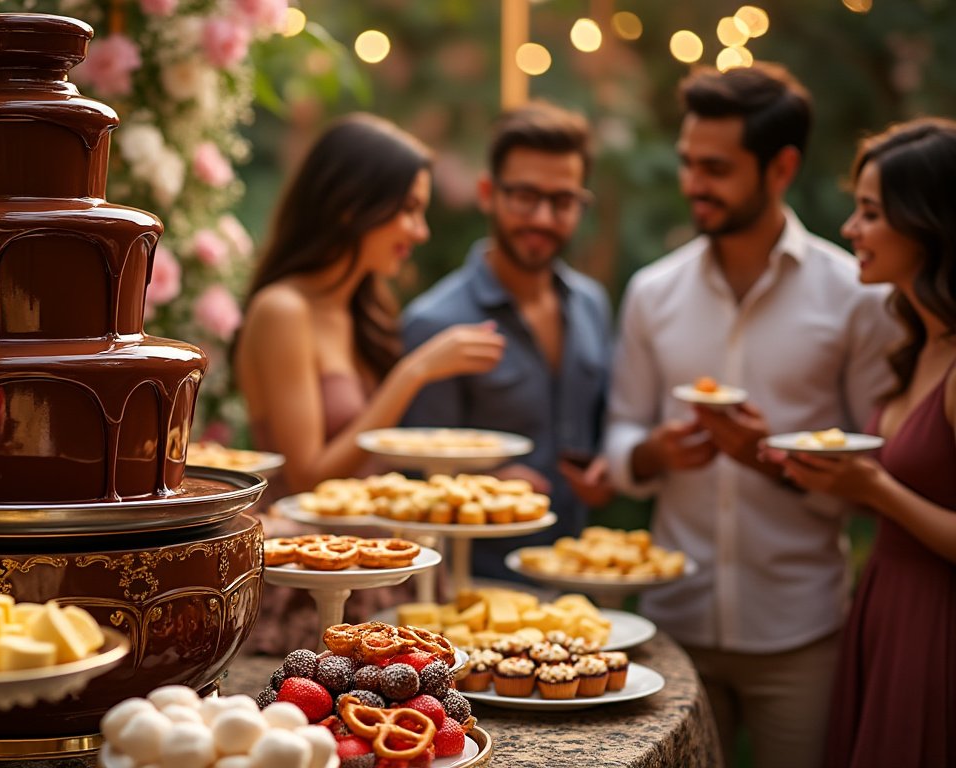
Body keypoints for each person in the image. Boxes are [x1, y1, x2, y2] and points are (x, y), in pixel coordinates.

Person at [602, 64, 900, 768]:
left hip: (800, 630)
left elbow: (879, 463)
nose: (693, 184)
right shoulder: (653, 292)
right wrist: (655, 455)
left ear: (781, 167)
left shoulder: (852, 296)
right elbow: (618, 432)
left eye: (716, 168)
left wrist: (769, 455)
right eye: (686, 163)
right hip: (672, 629)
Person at [232, 113, 504, 654]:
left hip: (374, 565)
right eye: (407, 210)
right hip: (312, 580)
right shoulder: (282, 310)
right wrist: (414, 372)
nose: (420, 232)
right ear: (351, 205)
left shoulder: (364, 310)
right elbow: (309, 473)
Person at [764, 119, 956, 768]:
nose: (850, 230)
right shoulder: (916, 344)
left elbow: (896, 493)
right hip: (883, 606)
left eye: (870, 213)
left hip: (936, 626)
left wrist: (872, 487)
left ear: (927, 221)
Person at [401, 102, 613, 580]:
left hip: (578, 581)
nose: (542, 217)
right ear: (486, 193)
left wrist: (607, 467)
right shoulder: (435, 321)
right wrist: (490, 488)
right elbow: (410, 478)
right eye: (524, 196)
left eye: (561, 202)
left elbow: (600, 427)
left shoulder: (592, 304)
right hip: (472, 590)